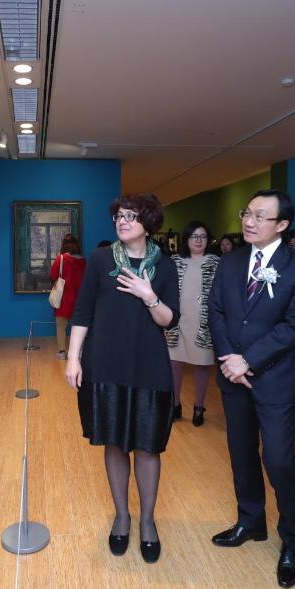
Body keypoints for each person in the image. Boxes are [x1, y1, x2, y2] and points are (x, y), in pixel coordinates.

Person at [208, 190, 295, 589]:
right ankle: (250, 521)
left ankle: (293, 542)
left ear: (282, 224)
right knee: (241, 453)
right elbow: (216, 311)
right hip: (232, 375)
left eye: (260, 216)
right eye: (247, 213)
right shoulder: (231, 261)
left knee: (279, 458)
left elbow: (294, 325)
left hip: (274, 379)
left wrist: (248, 360)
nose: (249, 221)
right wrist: (229, 359)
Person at [66, 195, 179, 563]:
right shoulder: (101, 260)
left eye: (131, 216)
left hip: (149, 366)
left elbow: (170, 320)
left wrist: (149, 296)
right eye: (118, 215)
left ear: (149, 222)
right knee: (114, 442)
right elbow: (82, 312)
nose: (122, 220)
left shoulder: (164, 266)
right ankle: (122, 516)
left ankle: (147, 521)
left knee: (148, 447)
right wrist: (73, 358)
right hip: (105, 364)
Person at [167, 221, 219, 426]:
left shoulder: (216, 262)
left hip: (203, 320)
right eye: (194, 236)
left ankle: (199, 406)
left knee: (202, 364)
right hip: (177, 319)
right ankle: (175, 404)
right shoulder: (174, 261)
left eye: (203, 237)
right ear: (186, 239)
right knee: (174, 364)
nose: (198, 240)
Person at [49, 234, 86, 360]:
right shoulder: (83, 261)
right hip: (80, 298)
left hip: (63, 298)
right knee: (79, 326)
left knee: (61, 326)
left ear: (63, 245)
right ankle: (79, 351)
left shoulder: (60, 259)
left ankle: (62, 352)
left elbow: (53, 275)